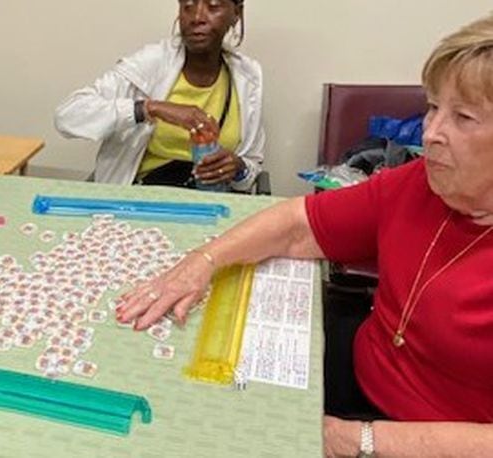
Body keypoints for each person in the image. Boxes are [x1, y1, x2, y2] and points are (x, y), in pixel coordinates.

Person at [117, 13, 493, 457]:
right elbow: (298, 225)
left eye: (463, 116)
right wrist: (198, 265)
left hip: (419, 439)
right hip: (359, 371)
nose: (430, 133)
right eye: (433, 107)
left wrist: (354, 440)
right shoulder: (417, 183)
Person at [54, 0, 265, 192]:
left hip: (213, 205)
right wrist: (148, 108)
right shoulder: (150, 64)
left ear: (236, 13)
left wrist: (239, 168)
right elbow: (68, 116)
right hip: (145, 200)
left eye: (213, 6)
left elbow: (250, 170)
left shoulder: (248, 76)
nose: (197, 18)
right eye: (188, 6)